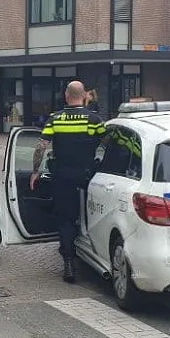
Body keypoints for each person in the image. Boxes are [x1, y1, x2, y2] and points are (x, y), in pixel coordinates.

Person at [29, 80, 106, 283]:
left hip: (62, 176)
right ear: (83, 96)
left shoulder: (55, 119)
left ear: (66, 96)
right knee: (93, 215)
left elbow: (40, 146)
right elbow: (107, 145)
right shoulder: (94, 119)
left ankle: (69, 264)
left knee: (65, 219)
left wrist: (35, 171)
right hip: (88, 176)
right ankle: (95, 253)